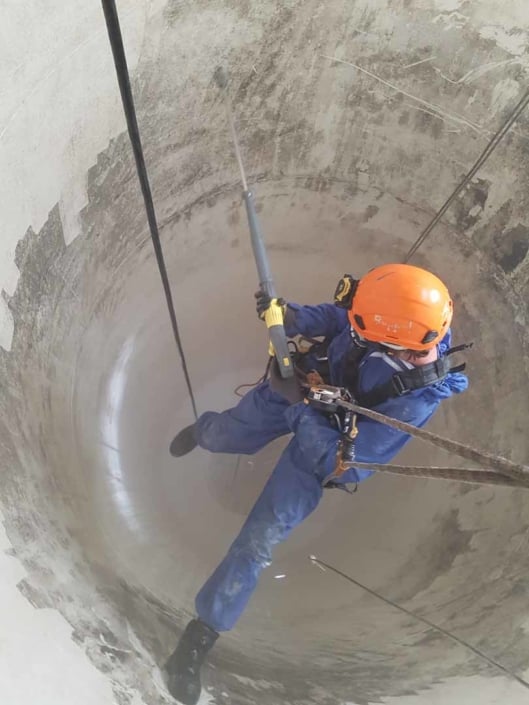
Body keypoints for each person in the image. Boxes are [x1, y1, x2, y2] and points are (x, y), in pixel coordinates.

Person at [164, 263, 468, 704]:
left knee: (259, 540)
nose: (355, 325)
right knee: (227, 435)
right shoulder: (399, 313)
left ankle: (200, 635)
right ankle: (203, 433)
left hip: (324, 443)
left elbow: (344, 464)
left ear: (399, 342)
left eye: (364, 329)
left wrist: (297, 407)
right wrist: (291, 316)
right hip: (302, 383)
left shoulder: (413, 401)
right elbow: (340, 319)